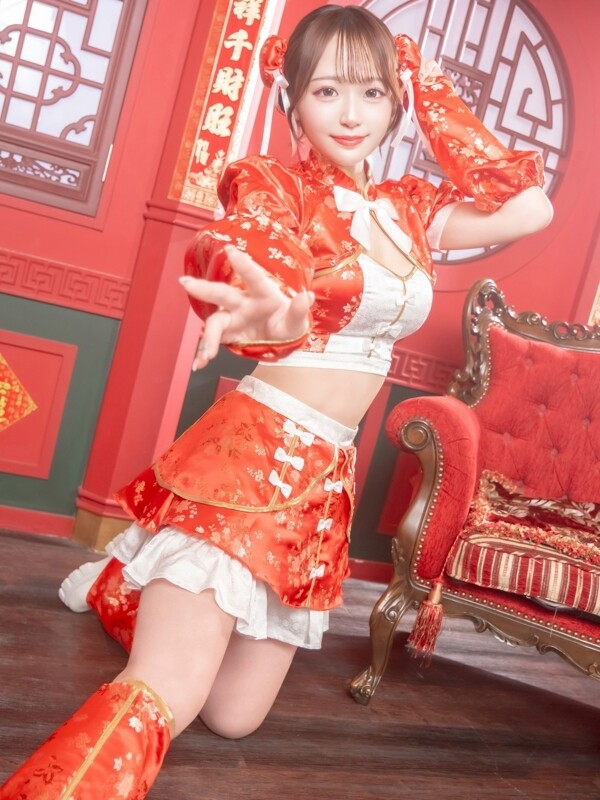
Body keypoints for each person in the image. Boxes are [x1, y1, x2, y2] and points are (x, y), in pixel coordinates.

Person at [0, 5, 553, 799]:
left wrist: (429, 84)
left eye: (372, 91)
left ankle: (120, 587)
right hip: (250, 457)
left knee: (234, 717)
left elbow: (531, 209)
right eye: (326, 91)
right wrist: (277, 312)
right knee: (166, 694)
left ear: (396, 99)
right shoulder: (272, 183)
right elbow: (257, 247)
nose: (351, 114)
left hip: (325, 485)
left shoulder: (413, 208)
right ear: (292, 97)